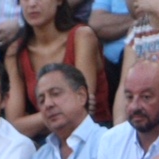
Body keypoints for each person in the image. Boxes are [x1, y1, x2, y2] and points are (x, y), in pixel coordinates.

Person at [6, 0, 108, 141]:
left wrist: (36, 120)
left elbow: (81, 107)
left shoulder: (82, 36)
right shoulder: (15, 52)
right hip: (49, 140)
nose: (32, 4)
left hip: (93, 135)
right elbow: (14, 126)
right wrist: (56, 112)